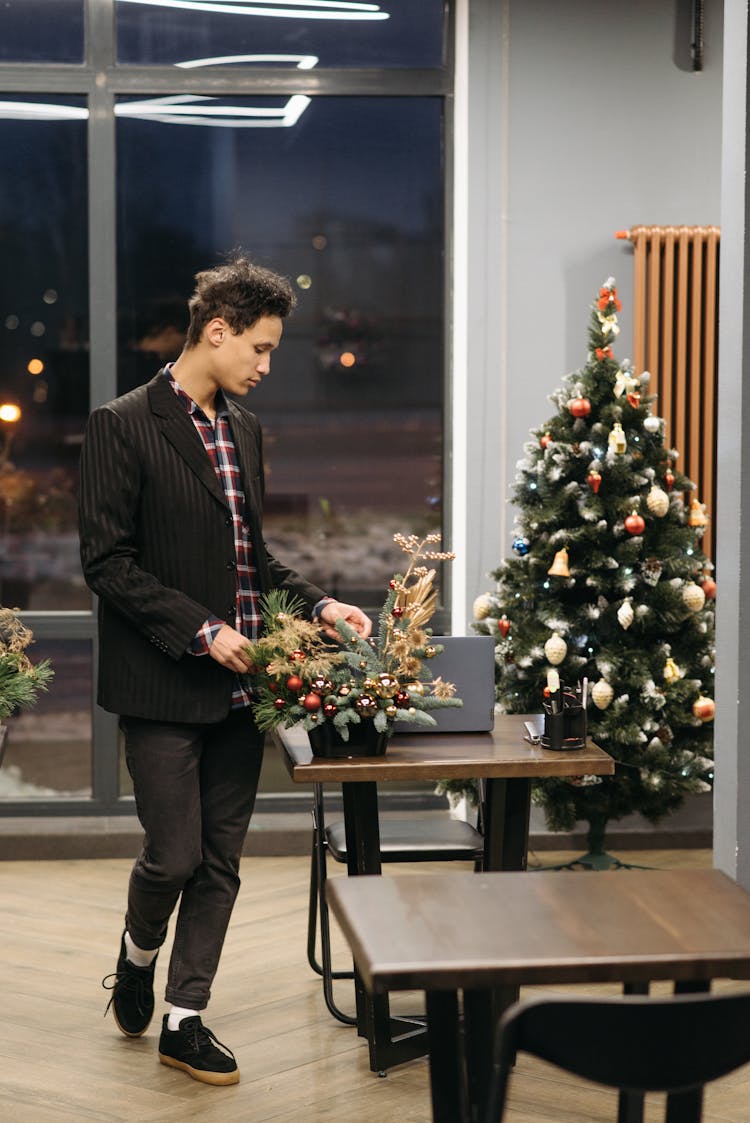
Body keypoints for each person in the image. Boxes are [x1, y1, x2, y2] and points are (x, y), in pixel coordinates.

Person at [78, 257, 371, 1087]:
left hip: (247, 692)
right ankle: (138, 954)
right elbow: (107, 562)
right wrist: (200, 629)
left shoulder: (244, 429)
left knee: (220, 862)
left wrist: (322, 607)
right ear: (217, 331)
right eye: (262, 347)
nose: (266, 366)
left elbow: (255, 559)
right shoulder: (122, 423)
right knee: (172, 856)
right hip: (164, 683)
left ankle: (185, 1019)